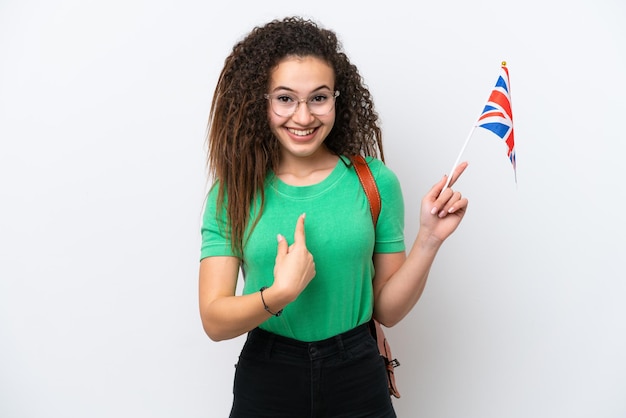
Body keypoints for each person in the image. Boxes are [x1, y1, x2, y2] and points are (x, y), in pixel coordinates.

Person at [198, 16, 469, 418]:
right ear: (263, 101)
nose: (304, 117)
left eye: (319, 98)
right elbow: (215, 320)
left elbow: (388, 311)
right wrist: (279, 295)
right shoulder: (233, 193)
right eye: (286, 98)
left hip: (357, 370)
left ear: (337, 100)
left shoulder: (373, 183)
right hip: (269, 374)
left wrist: (428, 240)